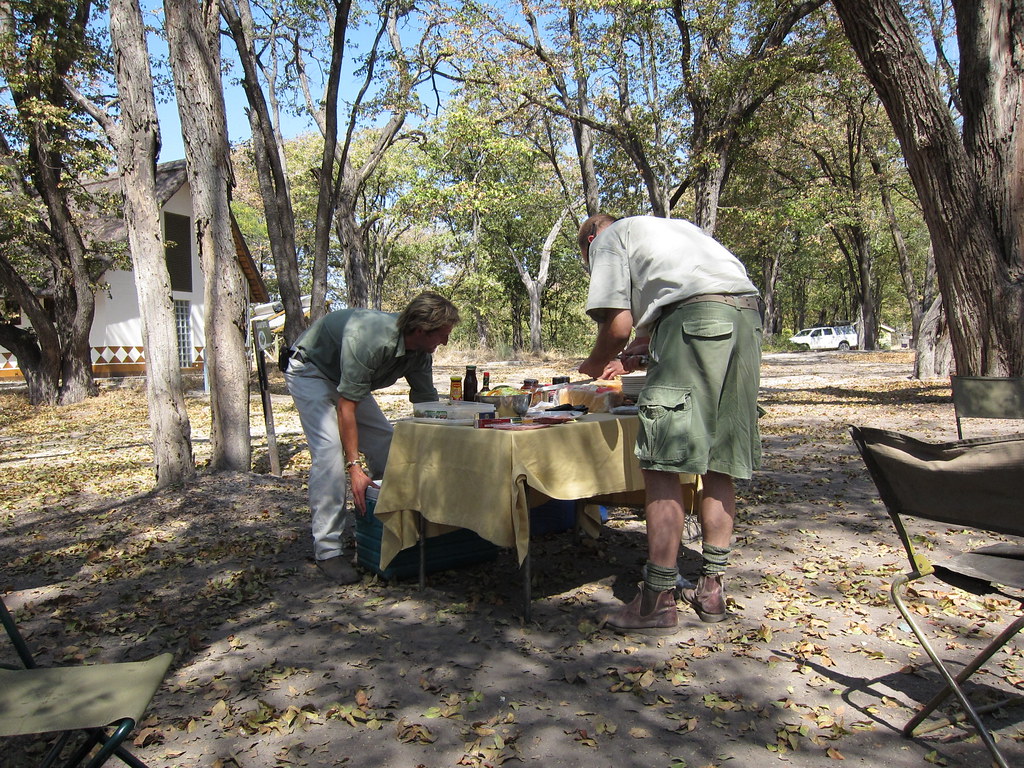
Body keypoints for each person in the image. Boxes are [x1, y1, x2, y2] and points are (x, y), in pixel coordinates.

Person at [577, 214, 762, 635]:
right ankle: (712, 588)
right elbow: (666, 316)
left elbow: (619, 325)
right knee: (721, 457)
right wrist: (634, 354)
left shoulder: (606, 240)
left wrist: (594, 362)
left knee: (663, 458)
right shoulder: (670, 231)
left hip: (695, 318)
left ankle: (657, 599)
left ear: (590, 241)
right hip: (746, 318)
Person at [284, 291, 460, 584]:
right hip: (311, 371)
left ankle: (384, 532)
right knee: (329, 456)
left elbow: (427, 406)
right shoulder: (371, 339)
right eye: (442, 335)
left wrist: (440, 451)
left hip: (348, 382)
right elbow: (346, 406)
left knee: (389, 449)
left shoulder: (419, 353)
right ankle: (328, 552)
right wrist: (354, 466)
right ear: (420, 330)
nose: (445, 342)